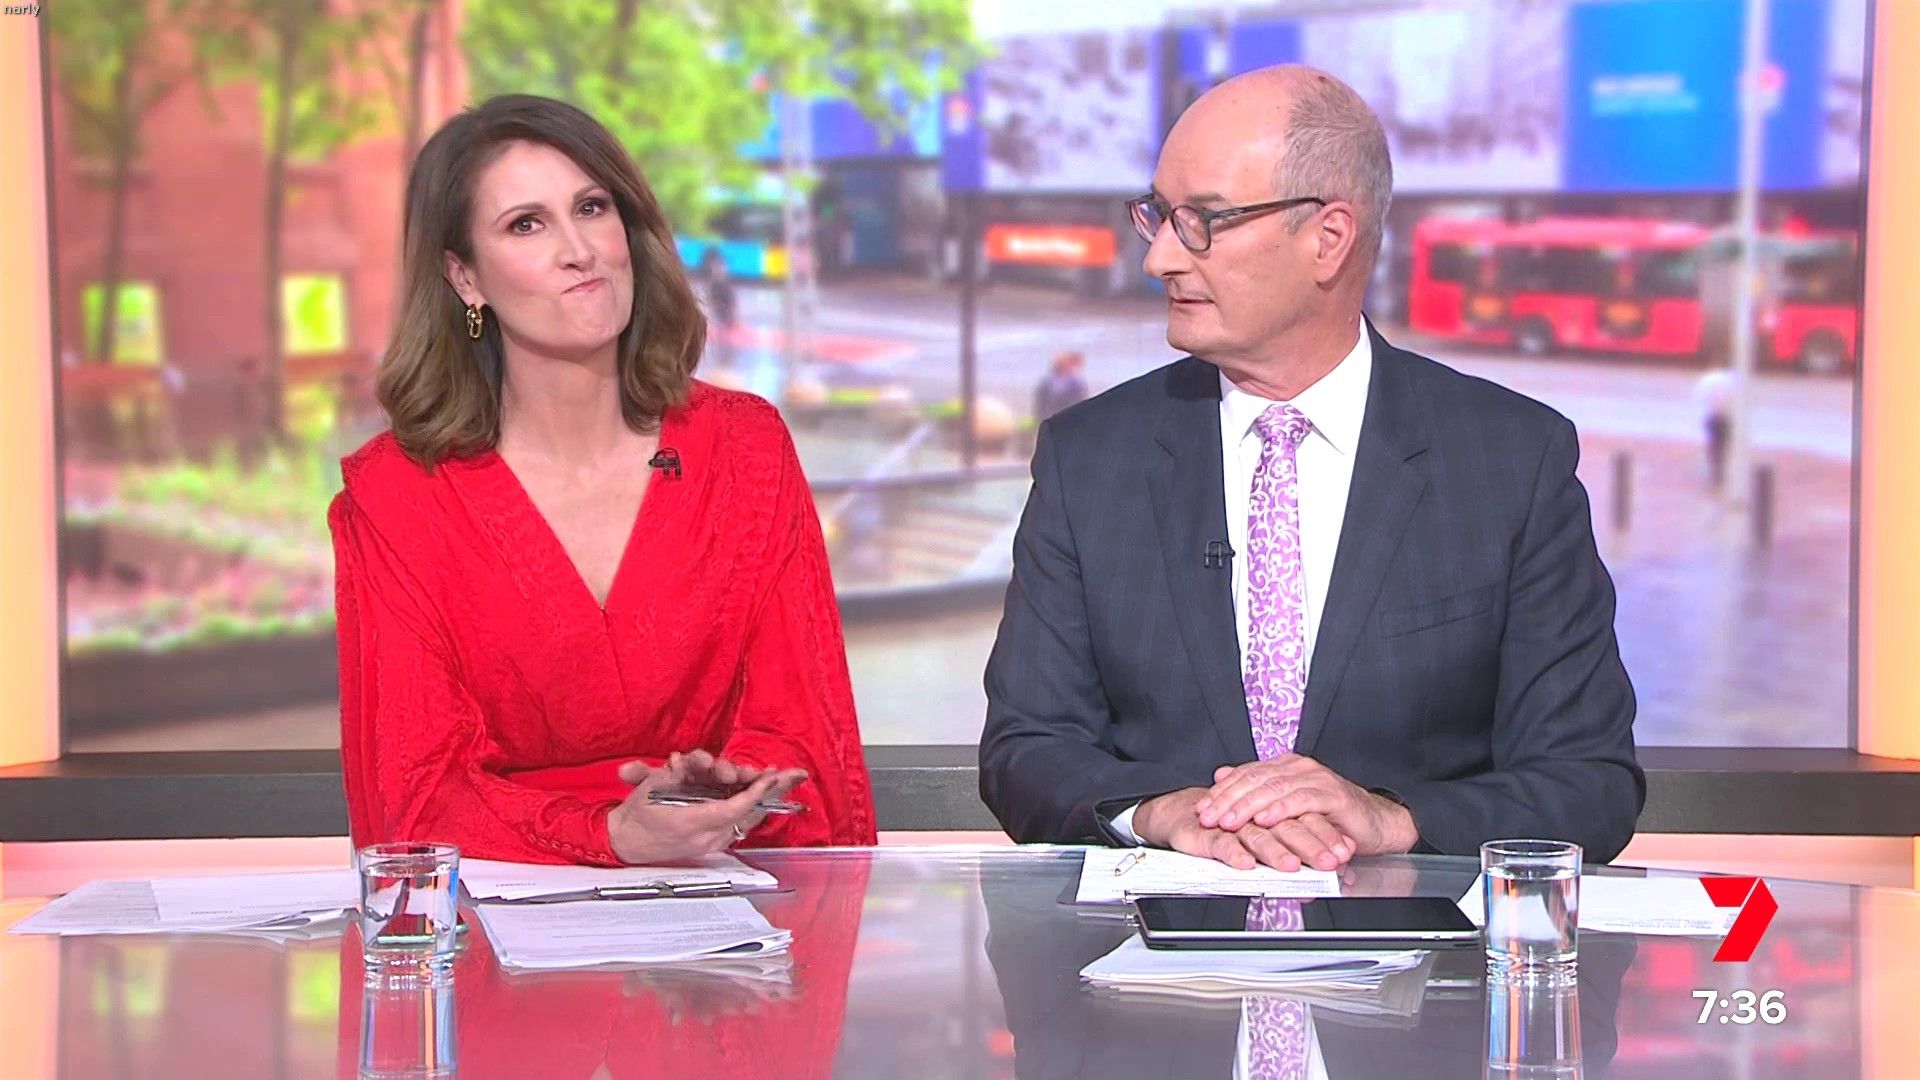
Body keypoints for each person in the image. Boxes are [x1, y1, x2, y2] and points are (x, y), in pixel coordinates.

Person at [979, 65, 1642, 871]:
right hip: (1152, 941)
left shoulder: (1511, 461)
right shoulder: (1089, 458)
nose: (1160, 258)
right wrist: (1161, 813)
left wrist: (1392, 819)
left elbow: (1588, 783)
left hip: (1419, 946)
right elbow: (1025, 751)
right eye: (1158, 216)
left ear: (1328, 239)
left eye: (1202, 221)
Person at [330, 94, 875, 866]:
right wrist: (610, 834)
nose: (579, 250)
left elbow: (809, 740)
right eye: (527, 224)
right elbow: (414, 799)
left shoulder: (746, 449)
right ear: (464, 277)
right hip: (504, 911)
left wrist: (724, 795)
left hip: (727, 898)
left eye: (591, 208)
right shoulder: (397, 498)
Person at [1033, 350, 1090, 424]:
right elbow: (1041, 401)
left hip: (1063, 416)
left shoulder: (1075, 381)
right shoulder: (1049, 381)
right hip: (1057, 416)